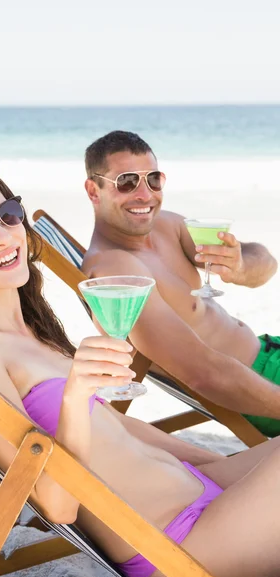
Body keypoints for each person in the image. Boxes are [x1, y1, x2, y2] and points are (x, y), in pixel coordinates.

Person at [0, 157, 280, 577]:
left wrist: (218, 467)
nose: (4, 235)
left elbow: (123, 430)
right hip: (180, 545)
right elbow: (58, 505)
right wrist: (75, 396)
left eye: (6, 215)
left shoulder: (34, 332)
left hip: (211, 499)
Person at [82, 130, 280, 436]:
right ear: (94, 191)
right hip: (264, 386)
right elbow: (204, 374)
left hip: (271, 349)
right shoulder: (116, 272)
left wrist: (239, 265)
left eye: (154, 180)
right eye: (127, 182)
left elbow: (266, 264)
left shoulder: (168, 226)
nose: (145, 195)